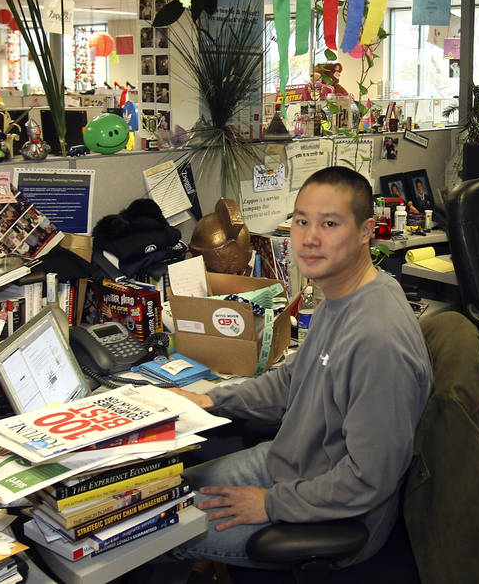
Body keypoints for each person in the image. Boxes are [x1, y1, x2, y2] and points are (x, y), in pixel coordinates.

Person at [172, 166, 433, 571]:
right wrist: (211, 398)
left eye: (330, 223)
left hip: (331, 508)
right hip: (287, 463)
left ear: (366, 232)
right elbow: (292, 381)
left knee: (154, 529)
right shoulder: (340, 294)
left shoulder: (379, 341)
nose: (309, 238)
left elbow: (369, 478)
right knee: (164, 492)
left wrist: (270, 505)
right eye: (301, 221)